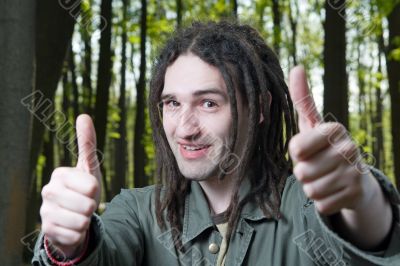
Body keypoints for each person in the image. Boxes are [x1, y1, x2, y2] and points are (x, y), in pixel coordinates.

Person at [32, 21, 400, 266]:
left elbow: (368, 247)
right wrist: (67, 244)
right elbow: (104, 255)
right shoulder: (137, 212)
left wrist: (362, 199)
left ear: (258, 107)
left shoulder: (302, 205)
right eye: (172, 104)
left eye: (209, 103)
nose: (184, 129)